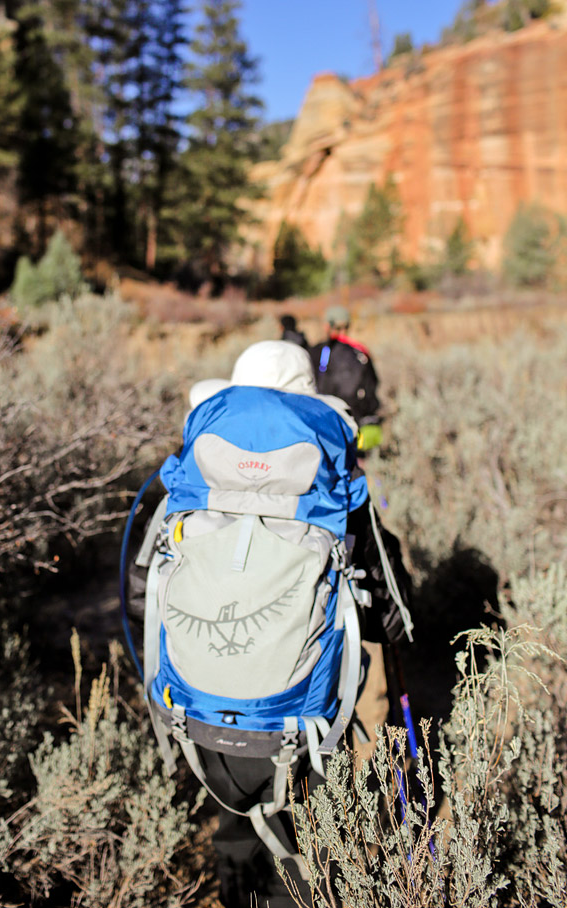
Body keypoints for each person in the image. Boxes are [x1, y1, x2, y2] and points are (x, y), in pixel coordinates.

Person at [130, 341, 412, 908]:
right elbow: (393, 609)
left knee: (234, 806)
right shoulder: (331, 479)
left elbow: (144, 593)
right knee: (306, 819)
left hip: (198, 703)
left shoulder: (193, 476)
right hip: (301, 708)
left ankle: (237, 886)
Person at [309, 305, 381, 452]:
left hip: (322, 420)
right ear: (348, 325)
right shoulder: (360, 351)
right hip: (354, 420)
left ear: (327, 326)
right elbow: (373, 383)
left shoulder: (316, 350)